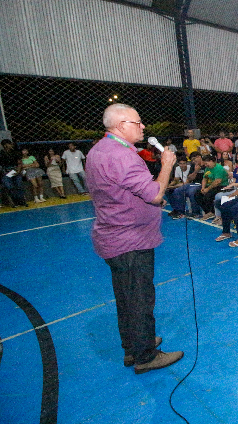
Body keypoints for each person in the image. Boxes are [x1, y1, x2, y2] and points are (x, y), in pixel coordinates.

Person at [86, 103, 183, 374]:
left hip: (114, 236)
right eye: (136, 122)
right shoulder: (121, 156)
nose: (142, 126)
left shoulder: (100, 150)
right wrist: (166, 165)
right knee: (140, 299)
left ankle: (133, 345)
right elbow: (154, 194)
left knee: (127, 297)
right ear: (120, 126)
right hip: (130, 239)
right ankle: (146, 356)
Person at [166, 151, 204, 219]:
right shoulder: (193, 166)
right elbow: (189, 178)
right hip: (192, 184)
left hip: (201, 184)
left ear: (199, 157)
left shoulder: (205, 165)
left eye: (194, 159)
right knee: (177, 190)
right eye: (192, 160)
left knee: (191, 192)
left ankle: (196, 213)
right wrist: (195, 171)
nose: (194, 161)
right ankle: (180, 211)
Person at [195, 155, 229, 221]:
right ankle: (208, 211)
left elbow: (217, 182)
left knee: (208, 195)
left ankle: (212, 212)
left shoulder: (219, 168)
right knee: (197, 194)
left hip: (221, 186)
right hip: (210, 185)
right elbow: (204, 178)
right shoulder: (207, 168)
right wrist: (203, 188)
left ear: (211, 161)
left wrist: (207, 189)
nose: (205, 165)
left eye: (206, 163)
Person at [0, 139, 27, 207]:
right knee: (9, 186)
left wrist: (18, 171)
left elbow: (19, 163)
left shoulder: (15, 153)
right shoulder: (1, 153)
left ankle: (21, 201)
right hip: (6, 171)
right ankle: (15, 201)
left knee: (19, 186)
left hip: (15, 170)